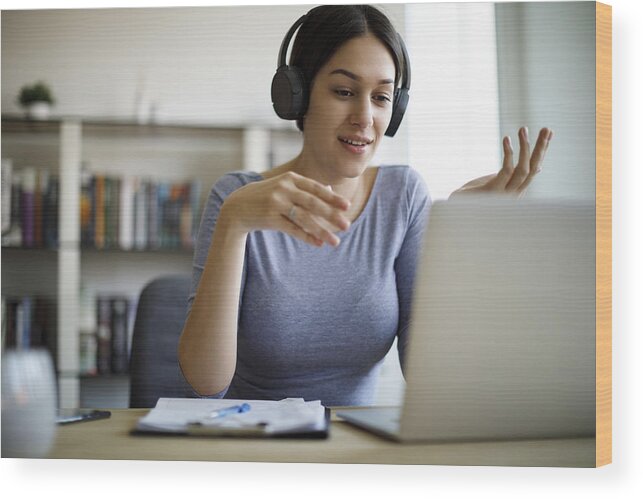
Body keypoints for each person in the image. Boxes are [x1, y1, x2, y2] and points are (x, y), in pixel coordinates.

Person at [178, 5, 553, 407]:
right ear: (296, 94)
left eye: (381, 98)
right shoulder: (237, 198)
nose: (365, 117)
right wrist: (235, 222)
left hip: (355, 453)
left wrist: (455, 239)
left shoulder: (403, 196)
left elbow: (428, 374)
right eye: (344, 92)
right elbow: (206, 382)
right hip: (252, 444)